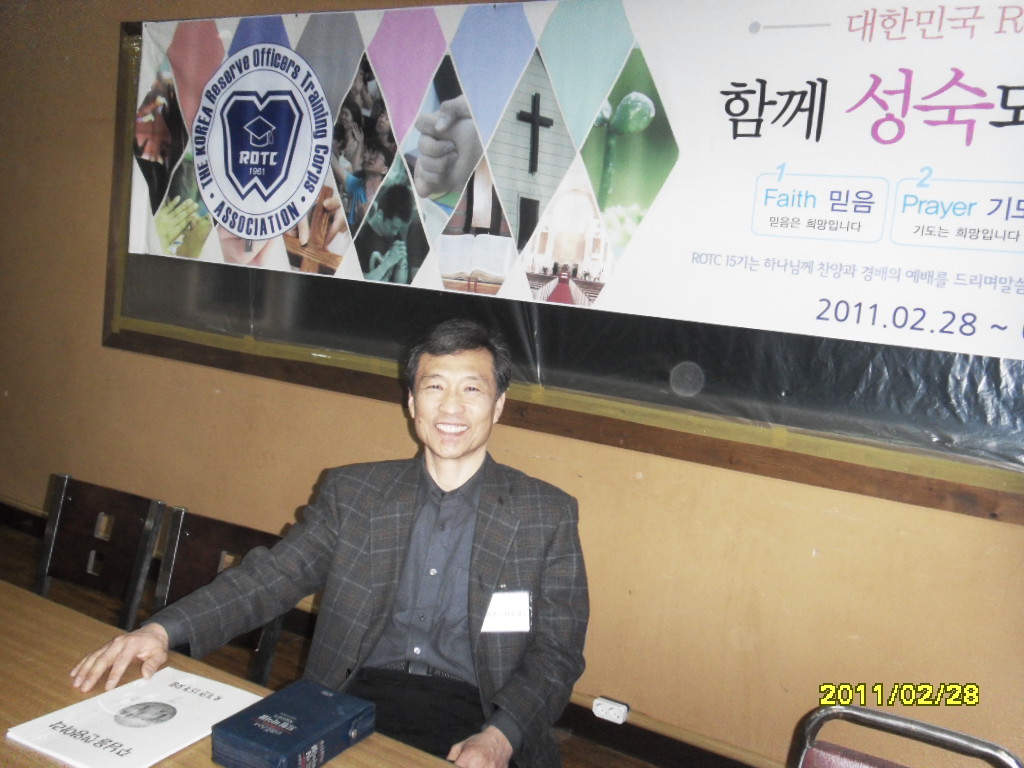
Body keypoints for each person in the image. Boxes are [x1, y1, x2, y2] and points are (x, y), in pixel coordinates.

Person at [70, 319, 589, 768]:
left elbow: (557, 653)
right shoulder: (354, 493)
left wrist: (501, 736)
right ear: (411, 401)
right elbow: (271, 578)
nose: (450, 406)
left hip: (480, 711)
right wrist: (163, 629)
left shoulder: (545, 514)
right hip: (349, 695)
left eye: (472, 389)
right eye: (434, 386)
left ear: (498, 405)